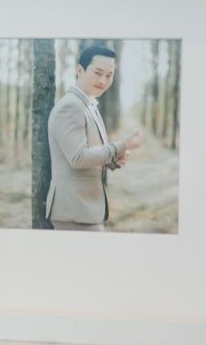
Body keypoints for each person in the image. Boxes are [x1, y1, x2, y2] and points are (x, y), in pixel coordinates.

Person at [46, 45, 143, 232]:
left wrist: (113, 160)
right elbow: (78, 158)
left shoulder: (89, 105)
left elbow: (89, 153)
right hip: (74, 211)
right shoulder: (71, 107)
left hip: (85, 210)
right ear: (79, 71)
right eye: (98, 73)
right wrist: (121, 146)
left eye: (109, 75)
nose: (103, 80)